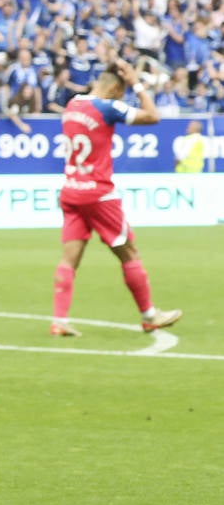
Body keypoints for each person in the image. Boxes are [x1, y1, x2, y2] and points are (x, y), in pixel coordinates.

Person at [50, 60, 181, 337]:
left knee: (69, 259)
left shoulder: (73, 105)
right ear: (113, 88)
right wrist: (136, 82)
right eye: (121, 93)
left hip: (72, 190)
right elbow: (152, 115)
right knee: (129, 253)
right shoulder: (107, 107)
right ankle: (149, 316)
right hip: (99, 195)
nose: (122, 98)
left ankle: (59, 321)